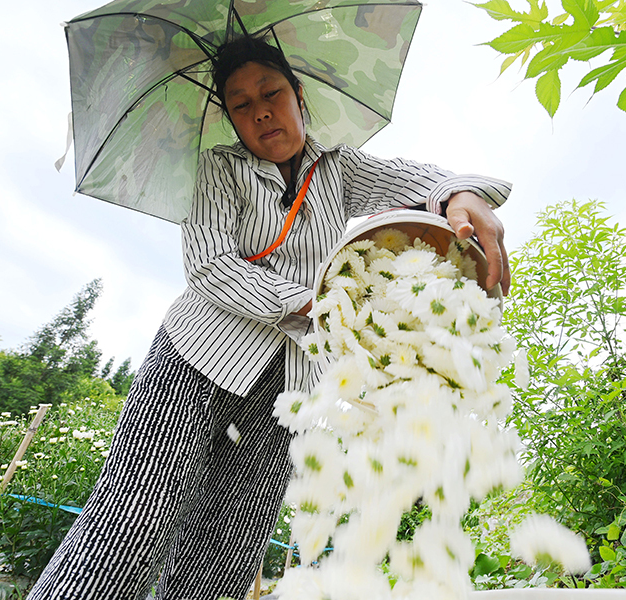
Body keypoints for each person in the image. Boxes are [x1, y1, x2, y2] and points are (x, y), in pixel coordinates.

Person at [27, 35, 511, 600]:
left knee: (229, 546)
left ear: (299, 95)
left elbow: (426, 183)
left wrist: (459, 197)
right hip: (195, 364)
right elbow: (210, 267)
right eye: (239, 103)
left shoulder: (339, 168)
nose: (259, 110)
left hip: (287, 389)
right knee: (133, 522)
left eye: (271, 92)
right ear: (230, 119)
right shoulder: (218, 170)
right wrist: (316, 302)